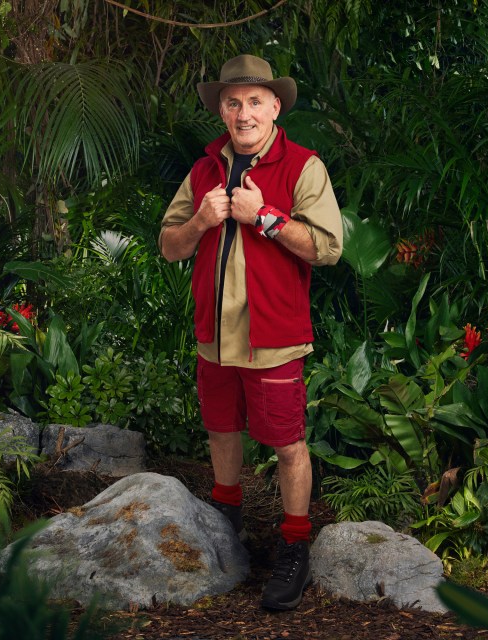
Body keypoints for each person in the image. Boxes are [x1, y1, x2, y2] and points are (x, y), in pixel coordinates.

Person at [159, 54, 342, 610]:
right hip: (214, 335)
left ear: (275, 106)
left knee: (287, 444)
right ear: (221, 108)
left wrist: (265, 217)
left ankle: (294, 545)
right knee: (220, 429)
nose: (244, 114)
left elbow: (328, 248)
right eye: (233, 102)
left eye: (255, 102)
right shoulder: (204, 170)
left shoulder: (303, 166)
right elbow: (169, 246)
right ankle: (225, 520)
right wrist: (201, 221)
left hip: (275, 335)